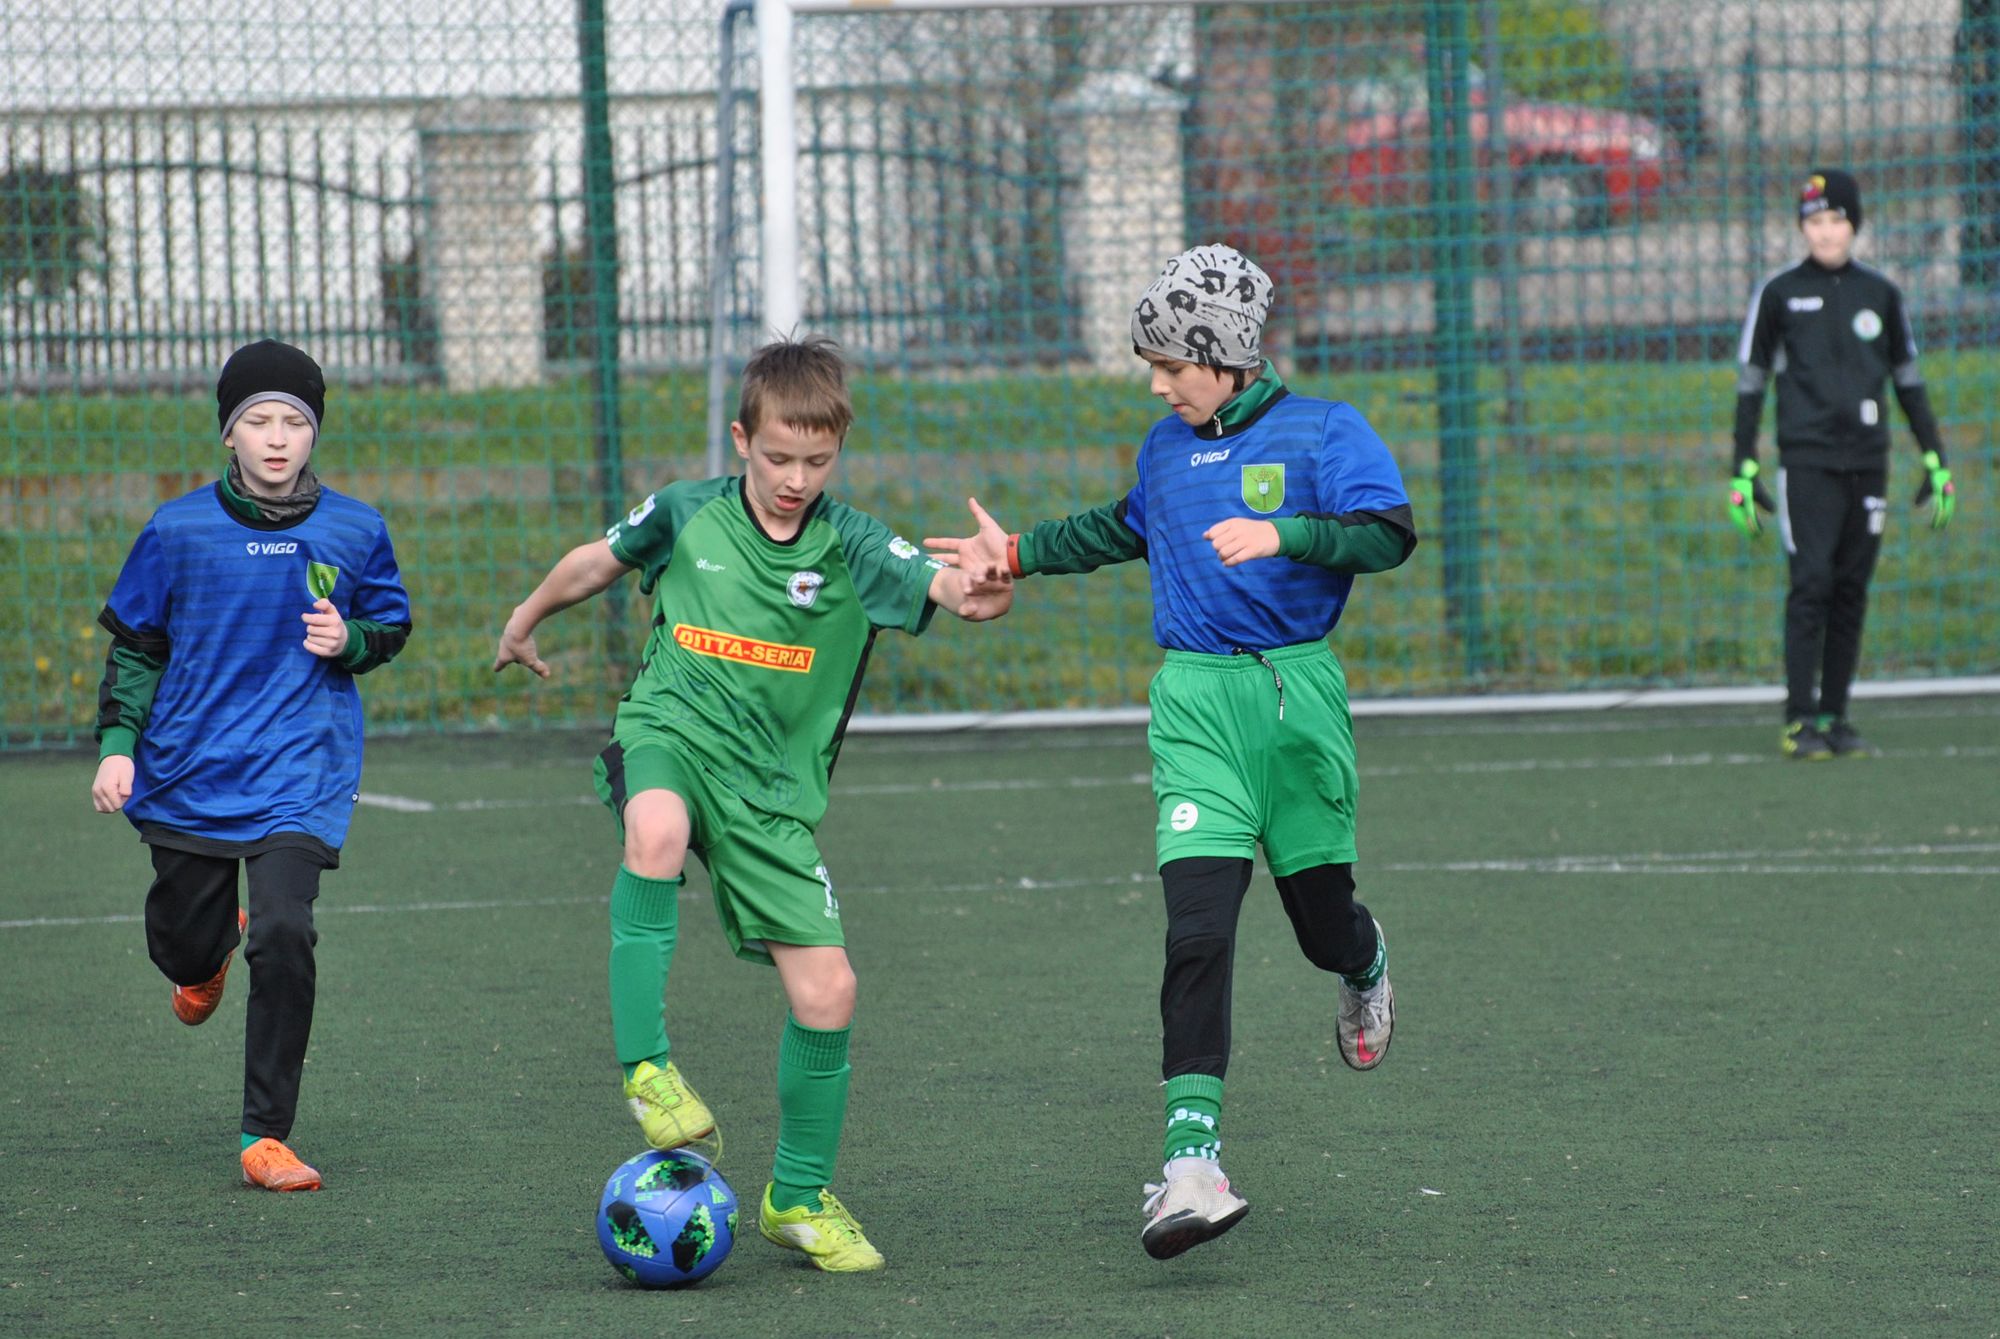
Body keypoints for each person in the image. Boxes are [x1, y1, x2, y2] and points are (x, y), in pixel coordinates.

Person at [927, 244, 1418, 1260]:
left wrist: (1286, 536)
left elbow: (1387, 533)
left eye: (1170, 363)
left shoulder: (1326, 431)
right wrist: (1013, 551)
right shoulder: (1164, 445)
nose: (1155, 382)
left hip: (1294, 701)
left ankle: (1362, 959)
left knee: (1319, 923)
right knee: (1196, 927)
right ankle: (1189, 1164)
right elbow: (1121, 527)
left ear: (1228, 356)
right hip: (1193, 704)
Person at [492, 335, 1011, 1274]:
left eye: (817, 460)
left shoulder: (853, 543)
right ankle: (648, 1070)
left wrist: (988, 585)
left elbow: (954, 594)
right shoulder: (689, 513)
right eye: (778, 456)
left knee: (831, 990)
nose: (795, 477)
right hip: (672, 732)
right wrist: (526, 617)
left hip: (771, 794)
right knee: (654, 828)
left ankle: (798, 1197)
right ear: (742, 439)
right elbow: (596, 561)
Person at [90, 339, 412, 1192]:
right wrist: (119, 748)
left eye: (295, 422)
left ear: (314, 434)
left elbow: (390, 624)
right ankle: (202, 960)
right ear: (229, 435)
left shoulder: (356, 528)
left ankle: (265, 1134)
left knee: (283, 930)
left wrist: (353, 641)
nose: (277, 438)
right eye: (258, 421)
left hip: (301, 767)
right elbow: (136, 648)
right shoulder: (177, 528)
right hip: (189, 768)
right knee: (180, 942)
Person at [1729, 168, 1957, 759]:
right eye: (1814, 221)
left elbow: (1908, 383)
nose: (1826, 233)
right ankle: (1799, 718)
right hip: (1806, 462)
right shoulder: (1778, 295)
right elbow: (1751, 385)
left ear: (1854, 225)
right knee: (1811, 584)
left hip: (1869, 462)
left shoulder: (1881, 295)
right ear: (1802, 227)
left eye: (1836, 220)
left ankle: (1836, 714)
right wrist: (1742, 465)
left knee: (1852, 588)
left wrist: (1935, 459)